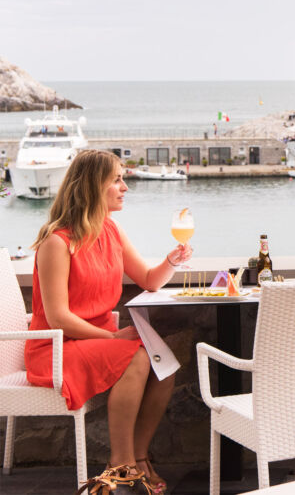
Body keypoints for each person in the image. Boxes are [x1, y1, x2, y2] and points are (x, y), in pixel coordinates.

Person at [27, 150, 190, 494]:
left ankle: (138, 457)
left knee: (166, 364)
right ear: (91, 186)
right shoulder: (57, 243)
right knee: (138, 355)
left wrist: (172, 260)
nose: (125, 187)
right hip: (57, 348)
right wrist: (113, 338)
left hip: (96, 341)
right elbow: (58, 318)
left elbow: (148, 278)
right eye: (116, 179)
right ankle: (122, 464)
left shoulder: (110, 230)